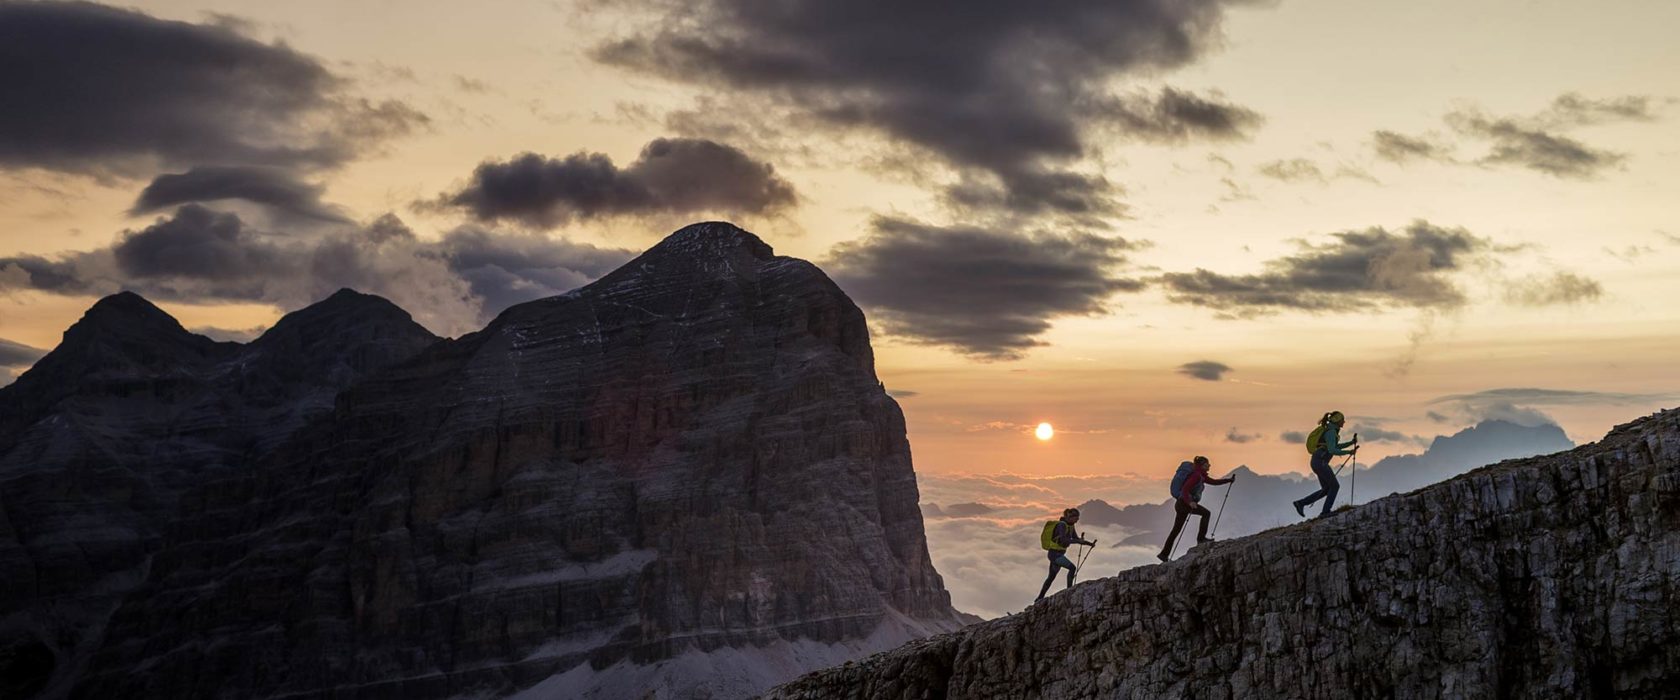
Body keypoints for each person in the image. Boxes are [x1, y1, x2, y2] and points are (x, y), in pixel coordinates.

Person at [1157, 456, 1235, 562]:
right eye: (1207, 464)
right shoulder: (1196, 476)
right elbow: (1185, 490)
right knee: (1206, 513)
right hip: (1184, 504)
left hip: (1181, 504)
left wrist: (1228, 480)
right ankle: (1201, 539)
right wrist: (1190, 502)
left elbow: (1213, 482)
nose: (1209, 465)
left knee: (1176, 531)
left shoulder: (1201, 475)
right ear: (1202, 465)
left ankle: (1163, 554)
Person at [1293, 410, 1359, 518]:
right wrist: (1349, 452)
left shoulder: (1330, 431)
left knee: (1327, 489)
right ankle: (1325, 512)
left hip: (1317, 462)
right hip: (1321, 462)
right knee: (1335, 486)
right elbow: (1333, 450)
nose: (1344, 422)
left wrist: (1351, 443)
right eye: (1342, 420)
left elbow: (1335, 447)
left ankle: (1301, 503)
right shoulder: (1331, 432)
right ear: (1337, 420)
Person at [1036, 508, 1095, 602]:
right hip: (1055, 554)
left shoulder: (1071, 526)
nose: (1077, 520)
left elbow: (1076, 538)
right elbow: (1064, 540)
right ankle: (1069, 591)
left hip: (1057, 554)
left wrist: (1089, 544)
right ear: (1070, 517)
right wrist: (1079, 541)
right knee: (1072, 568)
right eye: (1076, 517)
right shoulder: (1061, 526)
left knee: (1051, 577)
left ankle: (1039, 598)